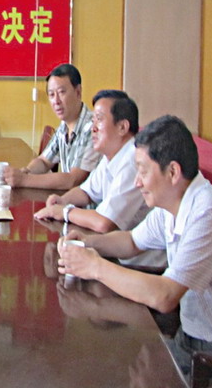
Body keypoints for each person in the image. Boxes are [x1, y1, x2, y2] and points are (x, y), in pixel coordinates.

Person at [59, 115, 212, 378]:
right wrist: (86, 243)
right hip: (191, 341)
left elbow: (165, 296)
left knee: (125, 379)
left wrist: (94, 267)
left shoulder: (208, 210)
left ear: (172, 172)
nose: (137, 182)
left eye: (143, 171)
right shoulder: (173, 202)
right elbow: (131, 241)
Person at [34, 90, 164, 268]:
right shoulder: (112, 155)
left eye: (99, 120)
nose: (93, 128)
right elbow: (86, 191)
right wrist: (62, 200)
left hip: (143, 265)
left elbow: (105, 222)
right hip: (117, 252)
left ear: (122, 127)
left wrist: (63, 211)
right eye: (93, 120)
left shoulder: (132, 160)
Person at [4, 63, 100, 189]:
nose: (56, 101)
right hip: (70, 198)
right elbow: (44, 161)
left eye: (61, 92)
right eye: (51, 94)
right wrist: (26, 171)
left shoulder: (92, 128)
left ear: (78, 92)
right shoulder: (64, 126)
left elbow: (73, 180)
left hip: (88, 201)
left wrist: (24, 180)